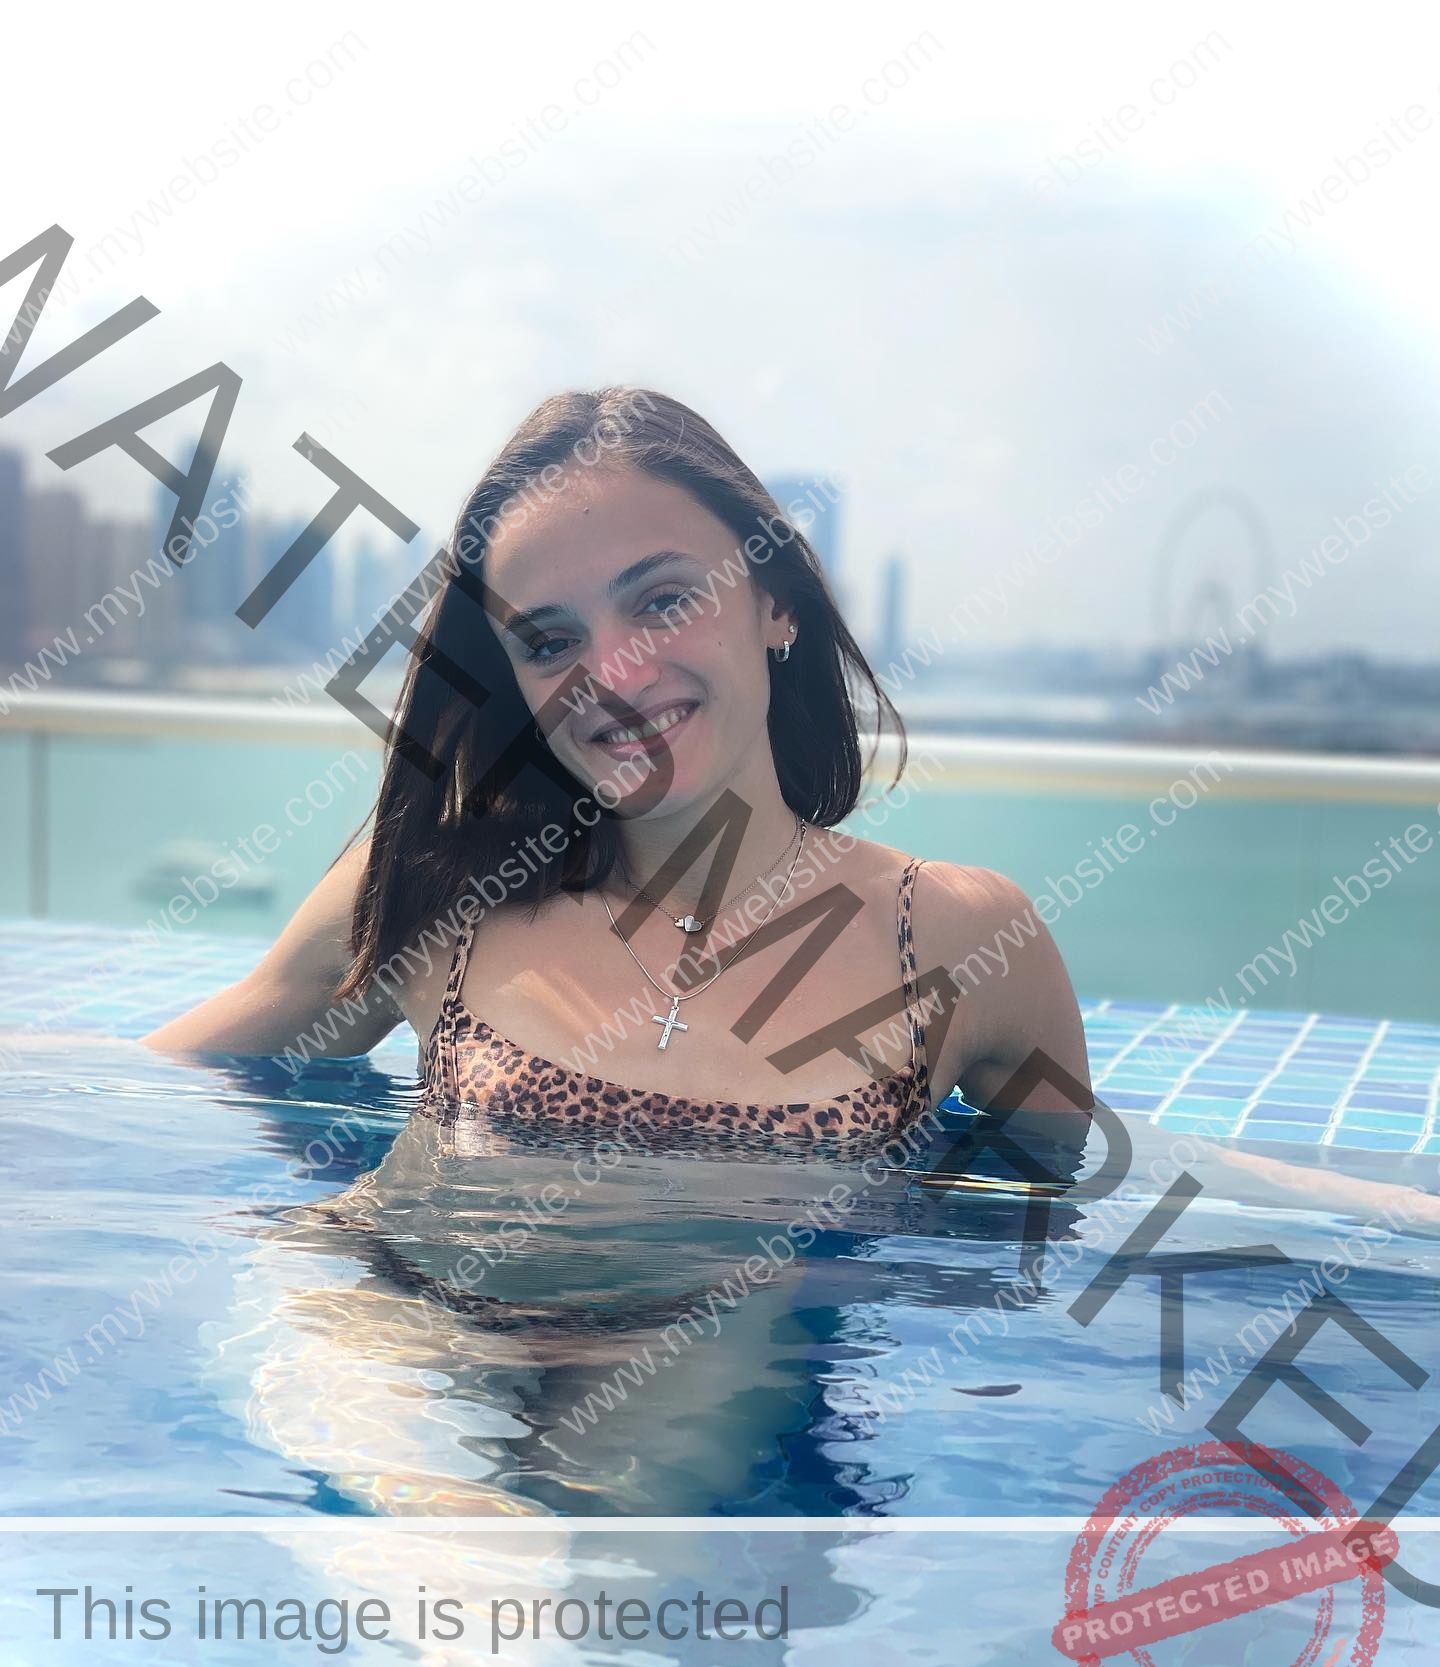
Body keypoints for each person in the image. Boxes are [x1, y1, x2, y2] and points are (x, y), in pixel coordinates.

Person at [143, 386, 1092, 1158]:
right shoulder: (434, 894)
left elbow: (1062, 1227)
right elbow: (133, 1101)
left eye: (664, 599)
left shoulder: (959, 940)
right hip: (389, 1332)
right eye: (550, 641)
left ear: (777, 604)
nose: (615, 676)